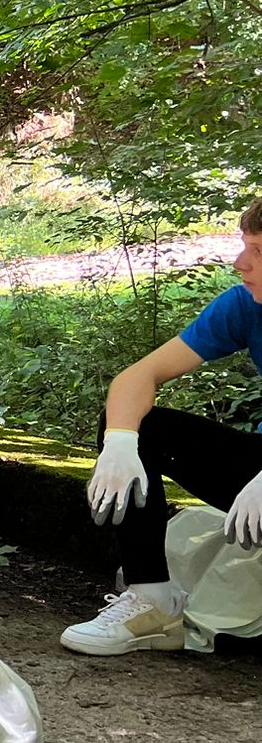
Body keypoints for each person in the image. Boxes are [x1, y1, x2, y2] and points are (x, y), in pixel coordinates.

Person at [65, 202, 262, 655]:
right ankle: (153, 602)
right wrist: (119, 443)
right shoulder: (243, 306)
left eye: (257, 250)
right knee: (141, 427)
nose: (239, 264)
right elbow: (137, 378)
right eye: (242, 246)